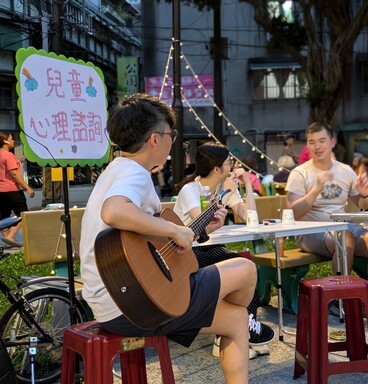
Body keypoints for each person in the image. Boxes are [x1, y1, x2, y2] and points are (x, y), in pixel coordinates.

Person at [79, 93, 256, 383]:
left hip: (115, 303)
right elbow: (113, 212)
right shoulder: (134, 173)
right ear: (154, 139)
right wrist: (174, 230)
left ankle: (245, 320)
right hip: (136, 305)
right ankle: (251, 320)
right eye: (170, 134)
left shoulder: (114, 171)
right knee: (246, 270)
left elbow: (145, 240)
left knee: (235, 319)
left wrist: (195, 231)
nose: (172, 140)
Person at [285, 122, 368, 311]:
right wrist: (316, 189)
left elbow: (362, 205)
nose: (317, 146)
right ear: (307, 145)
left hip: (343, 226)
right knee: (344, 239)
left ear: (332, 142)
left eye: (322, 140)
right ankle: (339, 298)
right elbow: (293, 213)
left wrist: (365, 194)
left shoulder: (345, 170)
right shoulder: (300, 173)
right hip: (310, 230)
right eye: (312, 142)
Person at [174, 142, 275, 359]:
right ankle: (236, 334)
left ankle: (240, 332)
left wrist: (246, 184)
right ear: (217, 169)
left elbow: (250, 218)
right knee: (241, 267)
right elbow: (198, 225)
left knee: (246, 267)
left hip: (210, 248)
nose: (233, 165)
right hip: (188, 252)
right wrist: (214, 218)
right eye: (229, 162)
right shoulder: (190, 190)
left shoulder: (225, 188)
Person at [0, 132, 35, 247]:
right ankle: (10, 236)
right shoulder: (8, 155)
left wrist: (19, 161)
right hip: (12, 190)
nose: (13, 141)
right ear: (5, 141)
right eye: (11, 139)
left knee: (4, 216)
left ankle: (7, 238)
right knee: (23, 215)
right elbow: (14, 174)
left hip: (1, 192)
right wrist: (28, 188)